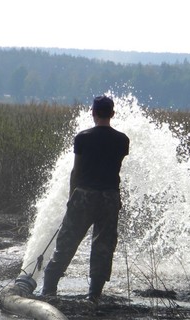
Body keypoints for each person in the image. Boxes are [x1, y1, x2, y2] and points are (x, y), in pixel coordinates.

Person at [41, 95, 130, 304]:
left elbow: (76, 171)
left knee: (67, 242)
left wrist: (72, 197)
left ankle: (48, 290)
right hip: (110, 197)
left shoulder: (83, 137)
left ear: (93, 113)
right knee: (104, 245)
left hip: (84, 196)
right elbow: (115, 167)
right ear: (112, 114)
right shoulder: (123, 140)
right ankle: (94, 295)